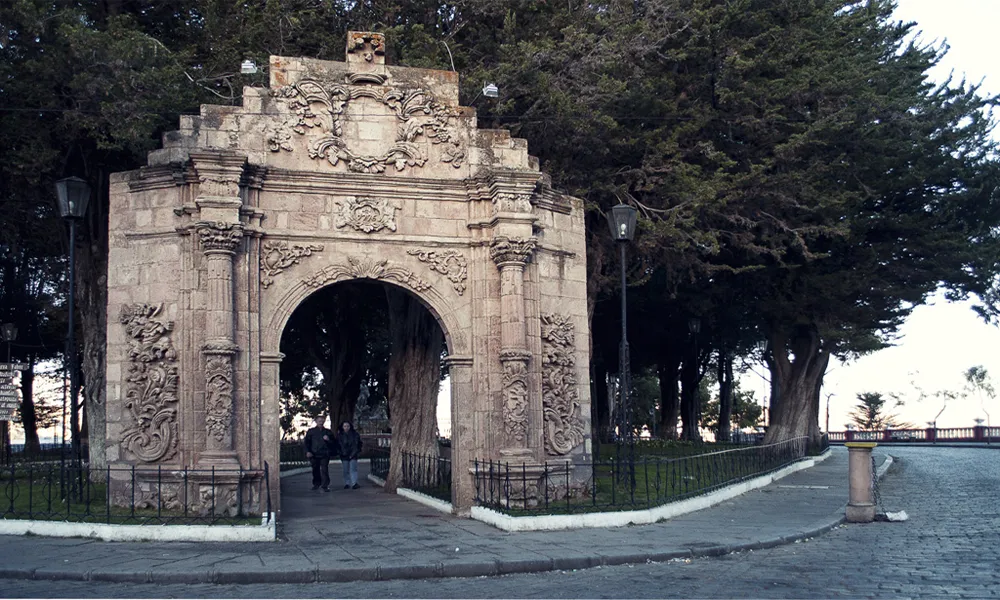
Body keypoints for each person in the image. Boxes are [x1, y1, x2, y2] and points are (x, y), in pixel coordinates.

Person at [303, 416, 334, 491]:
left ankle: (325, 485)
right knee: (315, 469)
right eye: (319, 421)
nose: (321, 422)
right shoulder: (311, 431)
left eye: (322, 421)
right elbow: (306, 442)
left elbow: (333, 443)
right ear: (316, 421)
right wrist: (308, 451)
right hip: (314, 453)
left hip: (324, 453)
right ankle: (316, 483)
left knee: (324, 469)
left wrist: (328, 439)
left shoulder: (328, 432)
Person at [336, 421, 363, 489]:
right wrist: (341, 453)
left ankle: (354, 483)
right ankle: (347, 483)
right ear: (342, 427)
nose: (346, 428)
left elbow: (358, 444)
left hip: (353, 454)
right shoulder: (340, 435)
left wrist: (354, 453)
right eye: (345, 426)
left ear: (350, 426)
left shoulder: (355, 434)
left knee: (353, 469)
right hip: (344, 455)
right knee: (345, 470)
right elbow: (338, 445)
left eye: (348, 426)